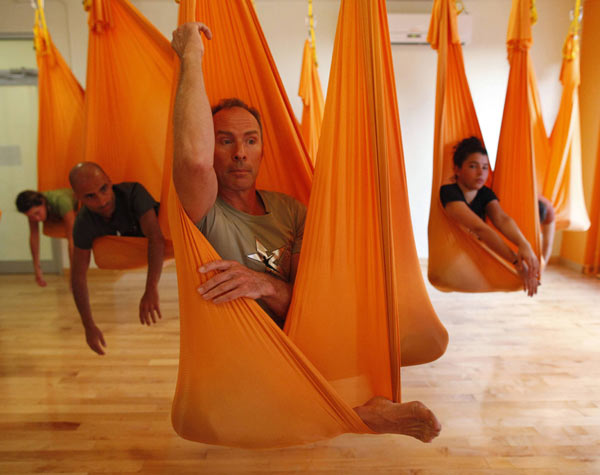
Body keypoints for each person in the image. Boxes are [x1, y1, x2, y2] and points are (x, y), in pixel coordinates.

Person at [170, 21, 441, 443]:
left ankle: (351, 410)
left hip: (299, 341)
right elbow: (191, 161)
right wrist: (190, 55)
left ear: (263, 149)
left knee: (350, 293)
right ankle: (359, 415)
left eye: (250, 140)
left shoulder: (289, 210)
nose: (240, 152)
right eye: (224, 140)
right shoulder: (204, 212)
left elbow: (309, 303)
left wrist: (262, 285)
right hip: (240, 356)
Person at [69, 162, 165, 355]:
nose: (102, 200)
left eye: (104, 189)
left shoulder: (133, 193)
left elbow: (156, 238)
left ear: (110, 182)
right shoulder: (83, 222)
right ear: (79, 198)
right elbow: (78, 277)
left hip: (163, 239)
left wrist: (151, 288)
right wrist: (88, 326)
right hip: (129, 249)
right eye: (90, 196)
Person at [440, 136, 548, 296]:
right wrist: (518, 264)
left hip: (477, 258)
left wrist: (524, 244)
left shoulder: (485, 193)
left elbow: (502, 219)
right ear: (457, 169)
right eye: (472, 166)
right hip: (451, 260)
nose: (480, 173)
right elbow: (480, 228)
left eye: (485, 167)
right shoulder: (448, 192)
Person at [16, 188, 78, 287]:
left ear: (43, 202)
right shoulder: (33, 210)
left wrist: (74, 276)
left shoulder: (62, 201)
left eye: (37, 213)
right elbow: (34, 235)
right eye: (31, 216)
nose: (37, 219)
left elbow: (72, 239)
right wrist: (37, 269)